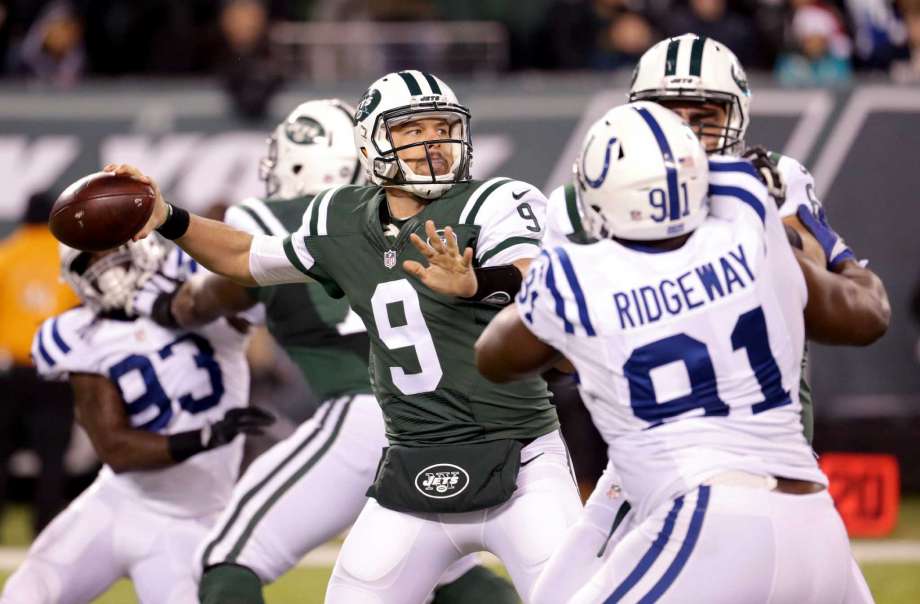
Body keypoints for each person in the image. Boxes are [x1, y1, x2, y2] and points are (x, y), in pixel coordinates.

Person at [108, 70, 582, 603]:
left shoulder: (495, 200)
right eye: (413, 130)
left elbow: (538, 280)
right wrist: (168, 216)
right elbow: (245, 257)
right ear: (372, 141)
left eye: (444, 127)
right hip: (411, 469)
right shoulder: (340, 218)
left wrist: (477, 283)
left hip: (519, 460)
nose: (435, 144)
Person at [531, 33, 888, 604]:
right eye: (667, 115)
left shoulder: (771, 185)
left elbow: (862, 309)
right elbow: (560, 361)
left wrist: (782, 251)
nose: (684, 132)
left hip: (764, 466)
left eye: (704, 115)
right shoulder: (580, 205)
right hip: (655, 475)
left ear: (737, 117)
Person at [0, 238, 273, 604]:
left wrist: (176, 240)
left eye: (112, 253)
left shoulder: (199, 296)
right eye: (91, 261)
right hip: (115, 501)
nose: (106, 271)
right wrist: (204, 436)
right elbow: (116, 448)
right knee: (25, 594)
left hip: (190, 521)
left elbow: (239, 288)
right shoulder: (79, 333)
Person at [0, 191, 79, 537]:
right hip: (55, 371)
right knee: (52, 460)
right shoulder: (67, 259)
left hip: (11, 371)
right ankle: (45, 528)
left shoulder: (6, 255)